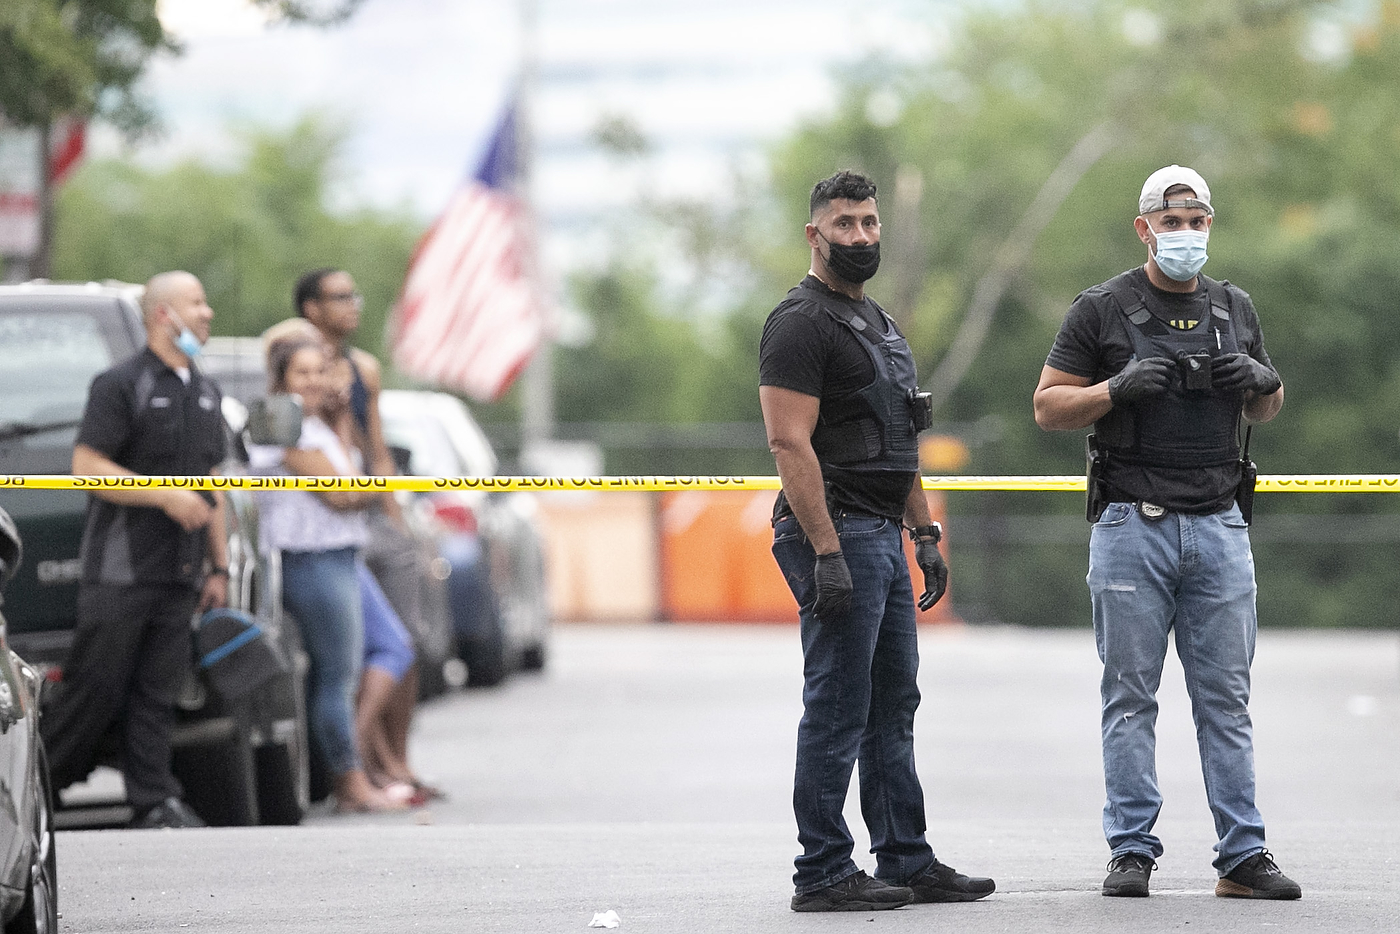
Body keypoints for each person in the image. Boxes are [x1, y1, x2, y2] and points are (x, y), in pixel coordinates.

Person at [1033, 165, 1299, 900]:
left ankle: (1243, 856)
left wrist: (1260, 382)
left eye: (1198, 221)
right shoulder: (1102, 309)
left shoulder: (1234, 307)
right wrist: (1115, 389)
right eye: (1172, 221)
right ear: (1144, 226)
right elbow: (1048, 407)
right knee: (1129, 696)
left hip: (1219, 524)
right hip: (1131, 523)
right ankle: (1131, 850)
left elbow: (1268, 409)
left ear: (1211, 225)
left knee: (1226, 698)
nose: (1186, 234)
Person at [758, 170, 995, 912]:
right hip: (835, 531)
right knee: (839, 702)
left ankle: (905, 858)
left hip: (881, 534)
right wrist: (825, 553)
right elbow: (787, 442)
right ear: (813, 235)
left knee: (893, 701)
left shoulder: (881, 325)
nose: (860, 237)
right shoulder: (798, 322)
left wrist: (923, 534)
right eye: (845, 225)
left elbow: (902, 443)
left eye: (869, 223)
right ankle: (822, 870)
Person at [41, 270, 228, 829]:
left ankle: (154, 800)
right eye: (197, 303)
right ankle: (37, 784)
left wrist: (218, 565)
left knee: (156, 692)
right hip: (121, 572)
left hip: (181, 571)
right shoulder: (121, 383)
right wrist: (165, 497)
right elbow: (88, 468)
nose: (207, 313)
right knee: (94, 690)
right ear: (164, 315)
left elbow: (212, 480)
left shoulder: (204, 387)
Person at [248, 334, 404, 812]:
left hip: (341, 554)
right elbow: (343, 496)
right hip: (310, 560)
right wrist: (370, 488)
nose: (315, 381)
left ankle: (355, 767)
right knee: (337, 676)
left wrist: (348, 419)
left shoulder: (320, 425)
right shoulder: (278, 426)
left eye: (321, 371)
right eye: (302, 373)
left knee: (379, 653)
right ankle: (349, 782)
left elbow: (366, 480)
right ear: (280, 380)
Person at [294, 269, 433, 792]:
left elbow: (371, 452)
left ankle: (393, 760)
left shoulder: (362, 369)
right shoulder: (290, 357)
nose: (354, 305)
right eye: (340, 297)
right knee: (350, 658)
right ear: (311, 307)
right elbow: (328, 480)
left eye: (357, 294)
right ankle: (358, 766)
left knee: (405, 640)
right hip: (323, 533)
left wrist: (395, 513)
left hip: (370, 517)